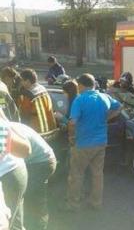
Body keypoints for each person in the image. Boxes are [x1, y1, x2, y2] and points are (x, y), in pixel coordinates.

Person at [65, 73, 120, 211]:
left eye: (78, 85)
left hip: (83, 143)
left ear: (82, 85)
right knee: (97, 174)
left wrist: (71, 138)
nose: (77, 88)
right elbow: (119, 107)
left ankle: (74, 204)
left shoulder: (80, 100)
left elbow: (72, 123)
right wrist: (106, 118)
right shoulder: (104, 96)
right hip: (101, 142)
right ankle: (96, 203)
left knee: (76, 175)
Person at [9, 122, 56, 230]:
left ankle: (38, 226)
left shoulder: (6, 131)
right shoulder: (8, 125)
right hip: (43, 158)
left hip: (41, 161)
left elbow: (14, 160)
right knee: (34, 197)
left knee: (32, 198)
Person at [0, 112, 31, 230]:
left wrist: (5, 121)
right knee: (15, 223)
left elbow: (26, 149)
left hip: (9, 174)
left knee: (9, 222)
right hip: (11, 173)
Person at [18, 69, 57, 134]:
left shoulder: (28, 94)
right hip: (50, 129)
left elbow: (24, 114)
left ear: (27, 81)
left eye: (22, 80)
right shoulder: (43, 89)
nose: (21, 83)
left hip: (37, 131)